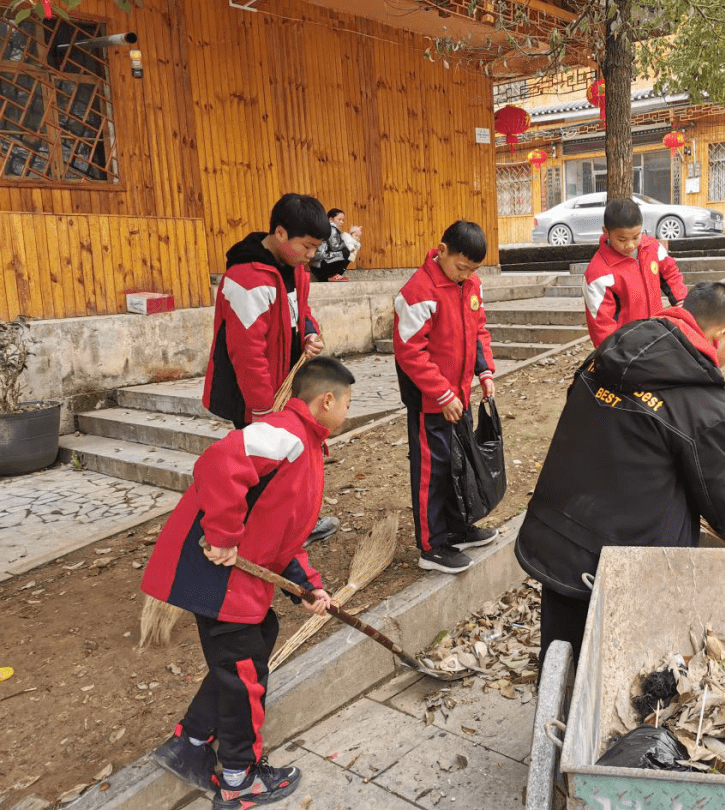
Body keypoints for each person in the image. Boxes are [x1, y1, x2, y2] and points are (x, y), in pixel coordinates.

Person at [143, 357, 355, 809]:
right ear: (326, 399)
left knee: (259, 638)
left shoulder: (309, 447)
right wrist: (221, 536)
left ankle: (191, 743)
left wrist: (309, 585)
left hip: (237, 575)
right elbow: (220, 461)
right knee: (242, 673)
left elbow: (284, 534)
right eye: (348, 403)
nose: (348, 412)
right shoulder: (286, 434)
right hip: (215, 571)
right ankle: (239, 779)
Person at [516, 282, 725, 665]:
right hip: (627, 556)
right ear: (721, 334)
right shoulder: (702, 403)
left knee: (562, 646)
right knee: (622, 660)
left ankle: (559, 703)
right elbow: (721, 494)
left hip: (558, 534)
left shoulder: (613, 351)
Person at [202, 193, 339, 546]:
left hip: (284, 384)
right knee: (265, 466)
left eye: (315, 248)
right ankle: (268, 537)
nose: (311, 256)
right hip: (253, 395)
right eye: (307, 247)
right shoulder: (248, 279)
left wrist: (310, 333)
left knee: (287, 461)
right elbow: (247, 355)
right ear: (280, 233)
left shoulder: (292, 270)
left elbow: (301, 313)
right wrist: (263, 411)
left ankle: (290, 528)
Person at [393, 221, 499, 574]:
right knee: (432, 471)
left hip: (460, 396)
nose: (464, 275)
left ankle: (458, 528)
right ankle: (432, 545)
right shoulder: (417, 292)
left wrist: (484, 372)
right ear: (441, 250)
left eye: (472, 270)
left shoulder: (470, 285)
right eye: (460, 266)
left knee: (458, 464)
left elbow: (478, 329)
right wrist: (441, 393)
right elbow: (411, 353)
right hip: (430, 403)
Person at [582, 198, 689, 347]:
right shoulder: (598, 274)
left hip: (658, 335)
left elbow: (670, 273)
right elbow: (602, 326)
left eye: (636, 236)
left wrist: (682, 302)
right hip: (628, 348)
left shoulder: (652, 247)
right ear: (606, 232)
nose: (630, 245)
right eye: (622, 239)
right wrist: (616, 355)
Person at [311, 208, 361, 282]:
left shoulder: (326, 228)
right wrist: (349, 242)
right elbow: (335, 247)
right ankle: (334, 275)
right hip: (322, 265)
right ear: (331, 219)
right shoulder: (332, 228)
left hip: (317, 265)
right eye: (339, 219)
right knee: (346, 251)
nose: (341, 222)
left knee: (346, 250)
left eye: (343, 220)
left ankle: (334, 275)